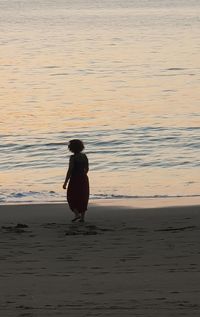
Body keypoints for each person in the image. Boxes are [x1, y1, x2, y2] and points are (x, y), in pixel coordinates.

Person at [63, 139, 89, 222]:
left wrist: (65, 182)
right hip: (84, 178)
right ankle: (82, 218)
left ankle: (77, 214)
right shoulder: (84, 156)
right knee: (83, 197)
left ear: (72, 148)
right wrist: (83, 175)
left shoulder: (73, 158)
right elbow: (87, 169)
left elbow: (70, 170)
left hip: (75, 179)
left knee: (71, 197)